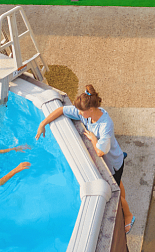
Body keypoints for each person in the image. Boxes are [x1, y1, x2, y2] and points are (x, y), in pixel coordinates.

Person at [36, 84, 135, 233]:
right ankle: (123, 203)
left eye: (81, 111)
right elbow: (61, 110)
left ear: (91, 109)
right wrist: (43, 123)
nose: (79, 113)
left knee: (117, 196)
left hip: (113, 162)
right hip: (115, 159)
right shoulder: (87, 114)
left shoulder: (105, 125)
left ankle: (128, 216)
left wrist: (94, 139)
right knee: (118, 181)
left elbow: (100, 152)